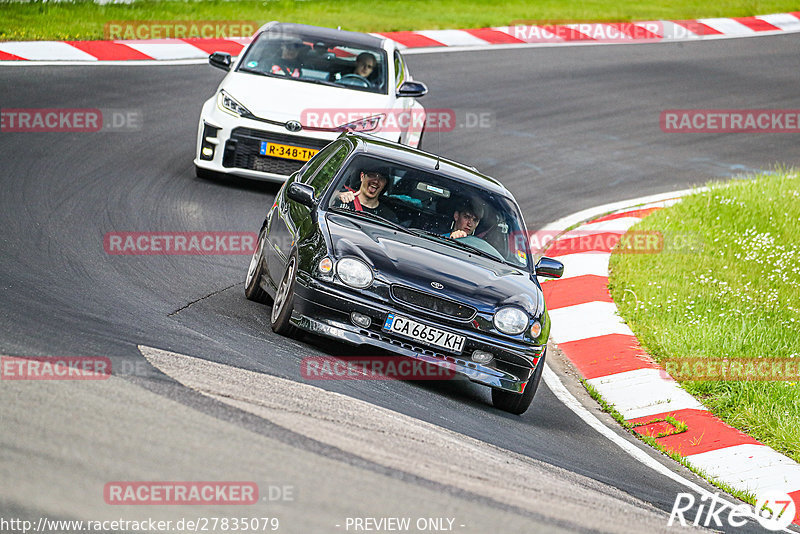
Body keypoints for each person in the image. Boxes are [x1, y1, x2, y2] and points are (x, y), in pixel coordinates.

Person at [333, 166, 399, 223]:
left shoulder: (388, 216)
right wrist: (336, 196)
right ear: (362, 177)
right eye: (372, 175)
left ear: (385, 184)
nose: (376, 181)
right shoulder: (344, 200)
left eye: (381, 178)